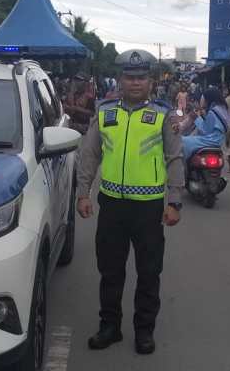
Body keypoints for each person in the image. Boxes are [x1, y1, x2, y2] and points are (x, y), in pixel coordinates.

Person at [76, 49, 184, 355]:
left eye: (141, 77)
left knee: (149, 271)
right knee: (110, 270)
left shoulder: (164, 115)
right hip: (111, 204)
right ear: (121, 80)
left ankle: (144, 330)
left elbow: (174, 159)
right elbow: (90, 154)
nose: (135, 83)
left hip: (148, 208)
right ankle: (109, 326)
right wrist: (83, 193)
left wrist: (174, 201)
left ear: (150, 81)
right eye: (129, 77)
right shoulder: (105, 111)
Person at [181, 88, 229, 161]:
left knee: (183, 140)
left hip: (210, 140)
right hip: (219, 141)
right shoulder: (223, 109)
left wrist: (197, 118)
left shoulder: (213, 112)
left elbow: (205, 130)